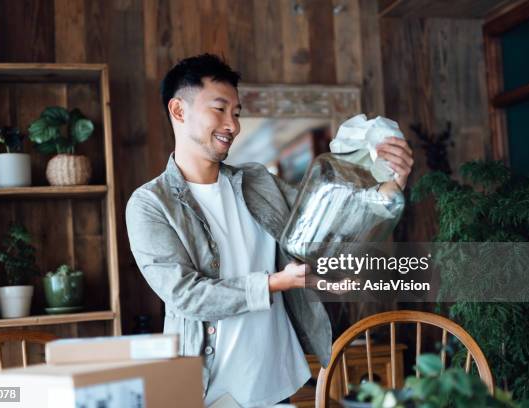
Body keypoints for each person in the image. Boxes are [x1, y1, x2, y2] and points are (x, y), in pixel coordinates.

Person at [126, 54, 414, 407]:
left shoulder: (257, 181)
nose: (232, 124)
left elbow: (328, 225)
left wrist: (391, 184)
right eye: (219, 109)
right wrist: (276, 282)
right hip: (206, 391)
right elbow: (187, 295)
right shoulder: (150, 204)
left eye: (236, 112)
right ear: (179, 110)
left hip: (275, 382)